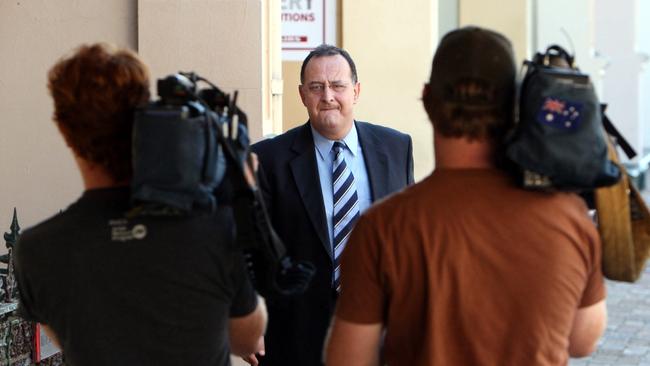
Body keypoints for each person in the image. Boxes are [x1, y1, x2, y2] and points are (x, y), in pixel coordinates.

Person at [325, 26, 607, 366]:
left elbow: (348, 359)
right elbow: (583, 339)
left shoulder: (381, 227)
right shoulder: (570, 216)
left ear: (428, 100)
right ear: (514, 107)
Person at [13, 43, 266, 366]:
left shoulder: (35, 251)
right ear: (145, 119)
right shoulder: (213, 227)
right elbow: (247, 338)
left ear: (64, 129)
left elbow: (73, 337)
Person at [250, 44, 414, 365]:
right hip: (295, 333)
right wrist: (250, 319)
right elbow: (253, 248)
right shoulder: (269, 159)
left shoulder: (396, 147)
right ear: (301, 95)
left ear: (356, 91)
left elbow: (408, 236)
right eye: (316, 87)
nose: (327, 96)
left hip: (379, 326)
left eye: (338, 86)